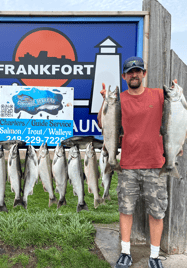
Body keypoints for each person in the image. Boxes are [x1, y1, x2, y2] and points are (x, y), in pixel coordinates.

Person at [97, 56, 169, 268]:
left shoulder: (159, 95)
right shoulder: (118, 99)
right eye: (130, 72)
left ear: (144, 73)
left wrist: (178, 141)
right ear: (124, 76)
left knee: (157, 212)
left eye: (138, 71)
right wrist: (105, 100)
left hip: (156, 164)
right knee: (125, 210)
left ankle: (154, 256)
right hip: (127, 165)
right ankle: (125, 253)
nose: (134, 75)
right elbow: (103, 123)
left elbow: (177, 116)